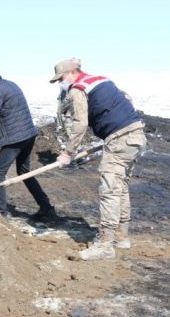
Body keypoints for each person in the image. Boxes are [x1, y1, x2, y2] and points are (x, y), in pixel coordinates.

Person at [50, 59, 146, 260]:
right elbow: (126, 99)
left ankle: (104, 245)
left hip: (120, 139)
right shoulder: (101, 79)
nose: (61, 83)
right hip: (136, 134)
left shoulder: (78, 88)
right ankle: (121, 237)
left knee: (109, 190)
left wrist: (68, 152)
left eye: (61, 79)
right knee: (120, 186)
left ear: (71, 73)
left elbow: (80, 124)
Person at [0, 61, 56, 220]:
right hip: (28, 134)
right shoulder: (9, 85)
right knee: (24, 172)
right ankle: (46, 207)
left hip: (16, 138)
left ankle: (2, 211)